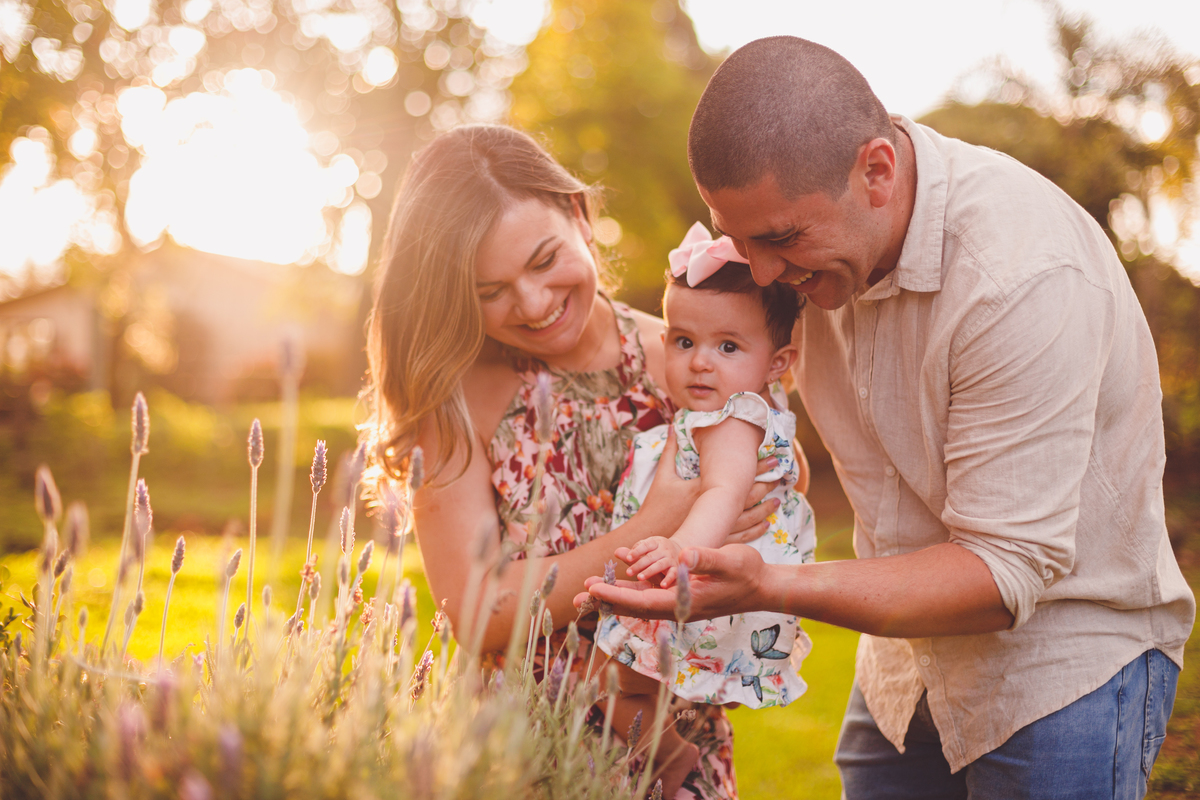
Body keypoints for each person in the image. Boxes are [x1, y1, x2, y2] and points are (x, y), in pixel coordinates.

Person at [582, 36, 1196, 799]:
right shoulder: (816, 252)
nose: (766, 276)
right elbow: (697, 339)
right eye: (742, 242)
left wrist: (769, 584)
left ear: (876, 170)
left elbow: (1002, 572)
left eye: (780, 240)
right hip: (902, 672)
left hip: (1057, 678)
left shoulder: (1018, 277)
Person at [362, 124, 780, 799]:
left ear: (581, 217)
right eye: (488, 289)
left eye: (543, 259)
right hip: (526, 755)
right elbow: (475, 609)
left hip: (675, 753)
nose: (530, 303)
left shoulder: (692, 357)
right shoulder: (460, 399)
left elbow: (772, 485)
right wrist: (653, 524)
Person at [592, 223, 817, 796]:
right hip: (714, 584)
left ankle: (668, 757)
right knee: (637, 681)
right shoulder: (753, 402)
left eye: (727, 346)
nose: (700, 364)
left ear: (777, 361)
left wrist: (678, 549)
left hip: (701, 581)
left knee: (608, 676)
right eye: (684, 341)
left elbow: (721, 491)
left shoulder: (732, 418)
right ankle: (671, 751)